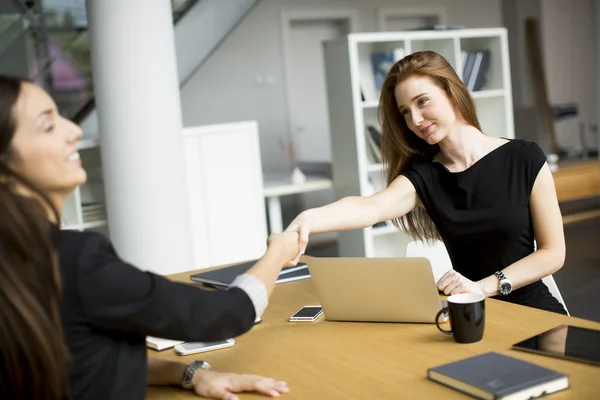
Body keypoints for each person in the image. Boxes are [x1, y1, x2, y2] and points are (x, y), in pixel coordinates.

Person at [0, 74, 298, 400]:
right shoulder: (76, 262)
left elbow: (74, 357)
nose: (74, 130)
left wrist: (186, 372)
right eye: (48, 126)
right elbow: (225, 313)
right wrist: (279, 250)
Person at [285, 51, 567, 315]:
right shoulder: (424, 176)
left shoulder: (525, 157)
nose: (415, 120)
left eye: (422, 102)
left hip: (534, 313)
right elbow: (370, 208)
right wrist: (308, 220)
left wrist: (483, 287)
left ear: (452, 92)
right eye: (405, 112)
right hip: (471, 316)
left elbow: (553, 254)